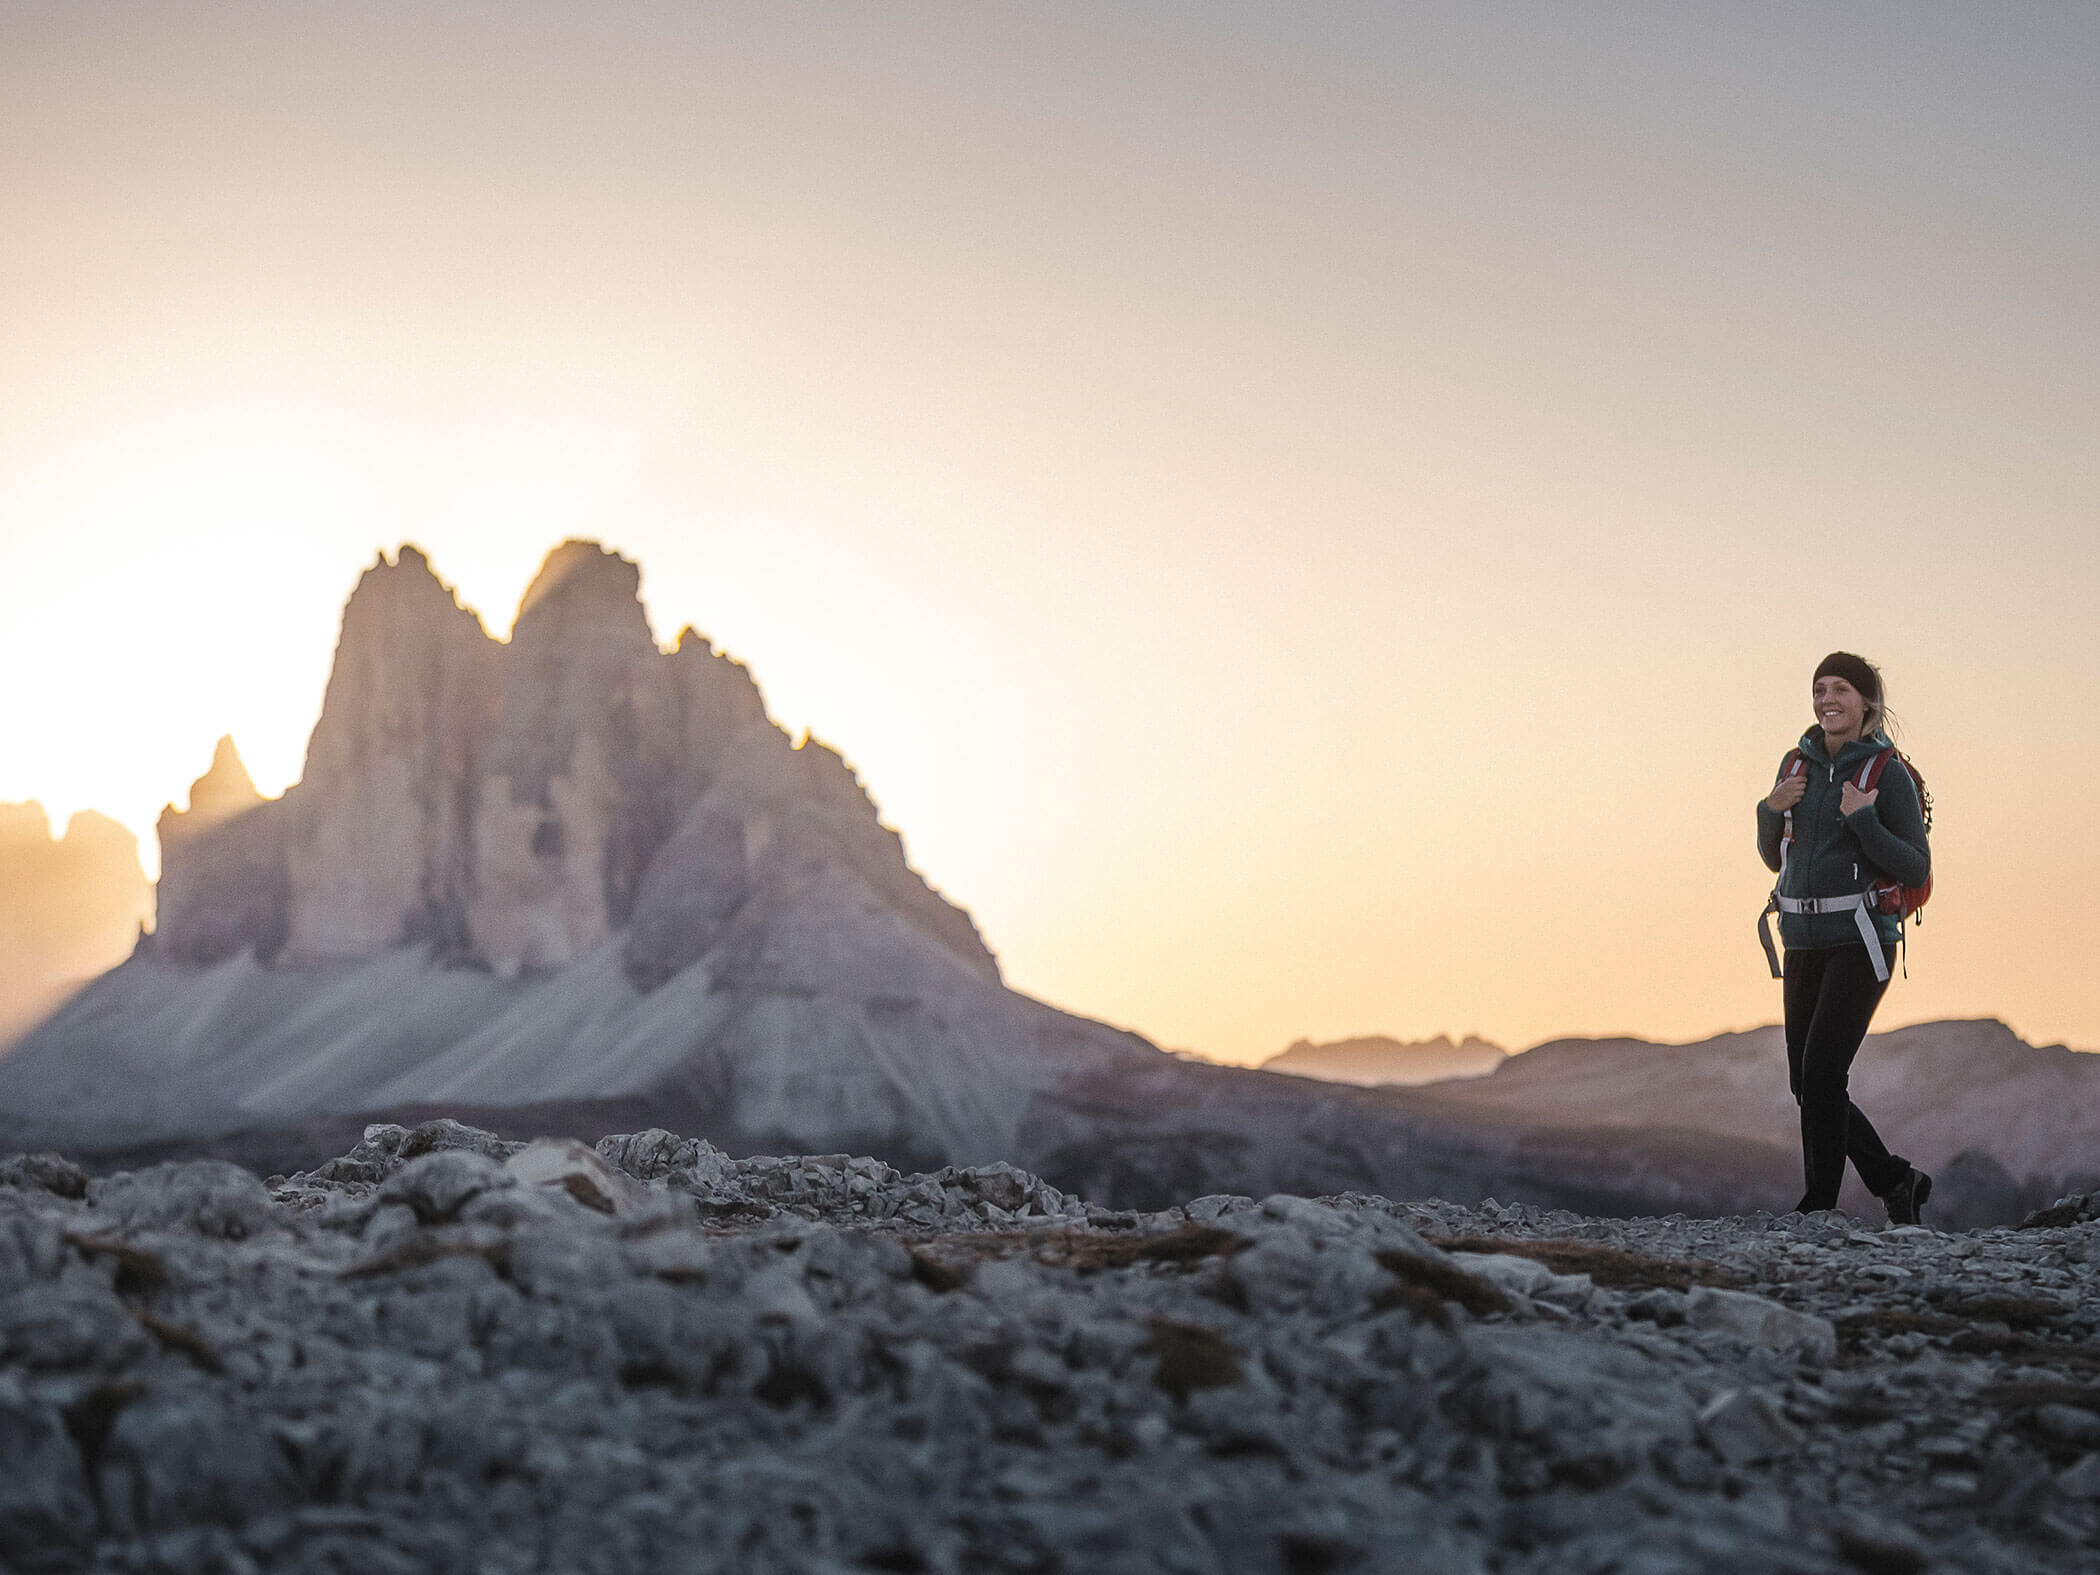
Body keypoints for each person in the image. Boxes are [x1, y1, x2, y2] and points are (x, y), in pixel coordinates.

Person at [1756, 652, 1933, 1223]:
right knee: (1805, 1083)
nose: (1827, 700)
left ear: (1866, 702)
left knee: (1822, 1074)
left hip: (1862, 941)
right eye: (1819, 689)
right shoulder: (1795, 766)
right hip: (1802, 940)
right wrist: (1768, 809)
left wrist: (1863, 819)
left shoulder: (1887, 774)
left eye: (1840, 690)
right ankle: (1895, 1180)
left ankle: (1819, 1208)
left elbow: (1915, 865)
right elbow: (1773, 858)